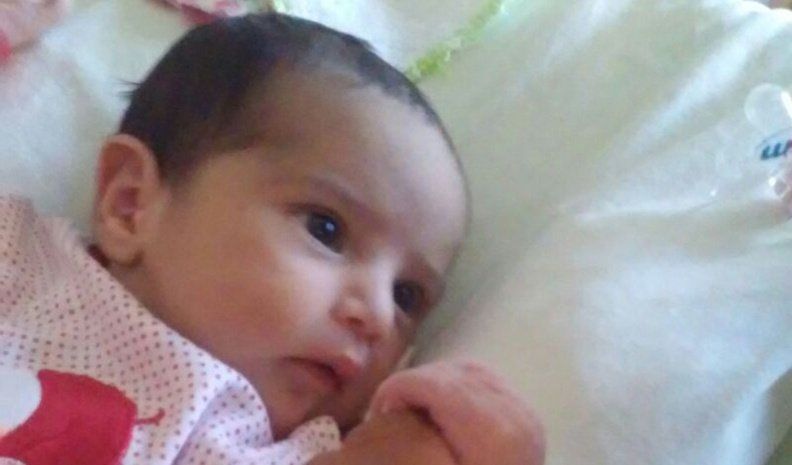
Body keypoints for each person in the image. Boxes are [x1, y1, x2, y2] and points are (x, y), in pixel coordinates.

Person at [0, 13, 544, 465]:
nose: (379, 316)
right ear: (131, 204)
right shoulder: (22, 258)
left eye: (408, 295)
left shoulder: (294, 452)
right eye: (326, 229)